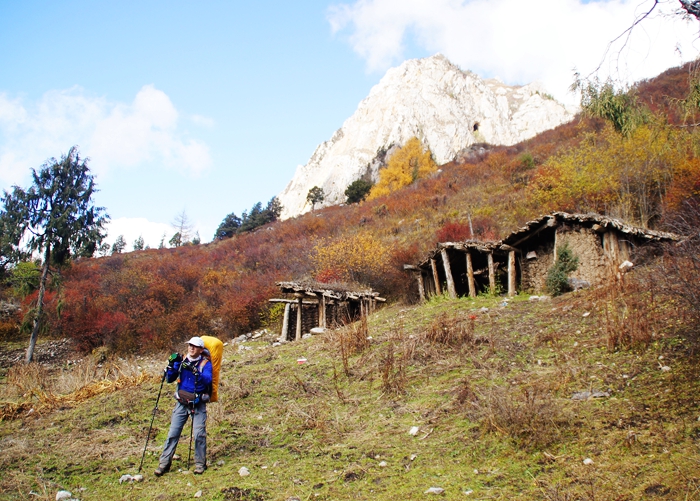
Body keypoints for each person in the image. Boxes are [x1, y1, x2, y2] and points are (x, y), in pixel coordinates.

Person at [154, 336, 213, 476]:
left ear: (200, 349)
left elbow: (208, 379)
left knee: (199, 434)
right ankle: (164, 464)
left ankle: (200, 464)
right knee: (173, 434)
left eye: (195, 346)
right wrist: (171, 366)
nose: (191, 348)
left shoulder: (205, 364)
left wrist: (195, 371)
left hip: (197, 404)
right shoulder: (182, 361)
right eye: (190, 345)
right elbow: (170, 379)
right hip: (181, 403)